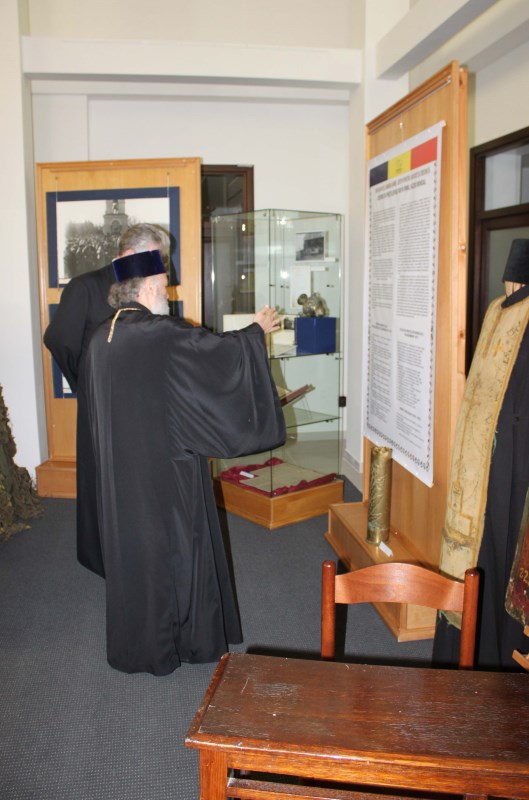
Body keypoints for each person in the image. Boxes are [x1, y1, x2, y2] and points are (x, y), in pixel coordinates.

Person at [84, 249, 286, 675]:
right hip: (165, 469)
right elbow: (216, 355)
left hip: (120, 473)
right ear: (148, 287)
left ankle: (136, 647)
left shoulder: (102, 336)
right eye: (165, 287)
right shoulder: (162, 333)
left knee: (133, 554)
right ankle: (184, 641)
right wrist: (255, 332)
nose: (169, 295)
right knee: (176, 549)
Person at [43, 223, 170, 578]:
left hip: (142, 405)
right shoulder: (85, 286)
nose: (161, 266)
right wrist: (86, 383)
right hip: (103, 406)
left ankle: (141, 549)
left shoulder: (146, 287)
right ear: (130, 254)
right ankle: (102, 558)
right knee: (102, 481)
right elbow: (59, 340)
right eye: (156, 257)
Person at [433, 238, 529, 669]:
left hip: (512, 466)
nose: (508, 286)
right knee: (477, 552)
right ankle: (467, 650)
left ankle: (493, 656)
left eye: (514, 280)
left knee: (500, 555)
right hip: (481, 463)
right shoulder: (496, 311)